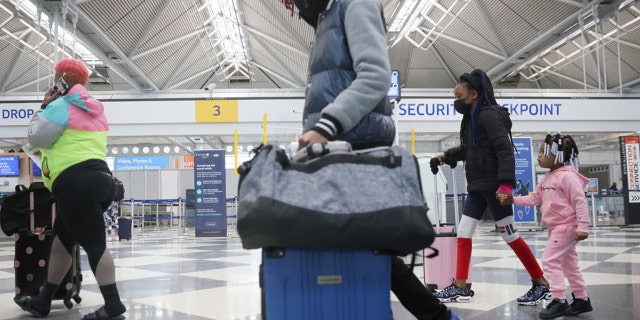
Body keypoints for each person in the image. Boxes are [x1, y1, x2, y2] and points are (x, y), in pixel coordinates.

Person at [283, 1, 460, 319]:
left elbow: (376, 77)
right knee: (366, 252)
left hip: (356, 145)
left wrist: (326, 126)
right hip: (338, 149)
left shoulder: (356, 3)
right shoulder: (326, 16)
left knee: (362, 252)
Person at [15, 58, 126, 320]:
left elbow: (36, 137)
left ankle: (113, 305)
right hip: (100, 180)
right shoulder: (95, 109)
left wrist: (44, 105)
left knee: (95, 245)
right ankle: (43, 301)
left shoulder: (61, 106)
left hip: (75, 183)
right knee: (61, 243)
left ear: (61, 81)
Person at [432, 69, 551, 305]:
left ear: (474, 94)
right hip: (477, 187)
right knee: (463, 233)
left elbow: (504, 150)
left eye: (459, 96)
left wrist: (507, 185)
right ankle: (461, 287)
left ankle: (541, 283)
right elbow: (472, 150)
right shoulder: (472, 120)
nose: (456, 101)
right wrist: (447, 155)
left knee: (510, 235)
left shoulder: (487, 115)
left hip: (495, 188)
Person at [499, 133, 593, 319]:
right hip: (555, 228)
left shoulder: (568, 177)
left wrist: (583, 226)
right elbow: (535, 198)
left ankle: (559, 300)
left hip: (566, 227)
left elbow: (580, 201)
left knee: (550, 261)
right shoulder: (548, 177)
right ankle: (582, 300)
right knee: (569, 265)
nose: (539, 156)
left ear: (559, 155)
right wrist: (513, 200)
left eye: (544, 152)